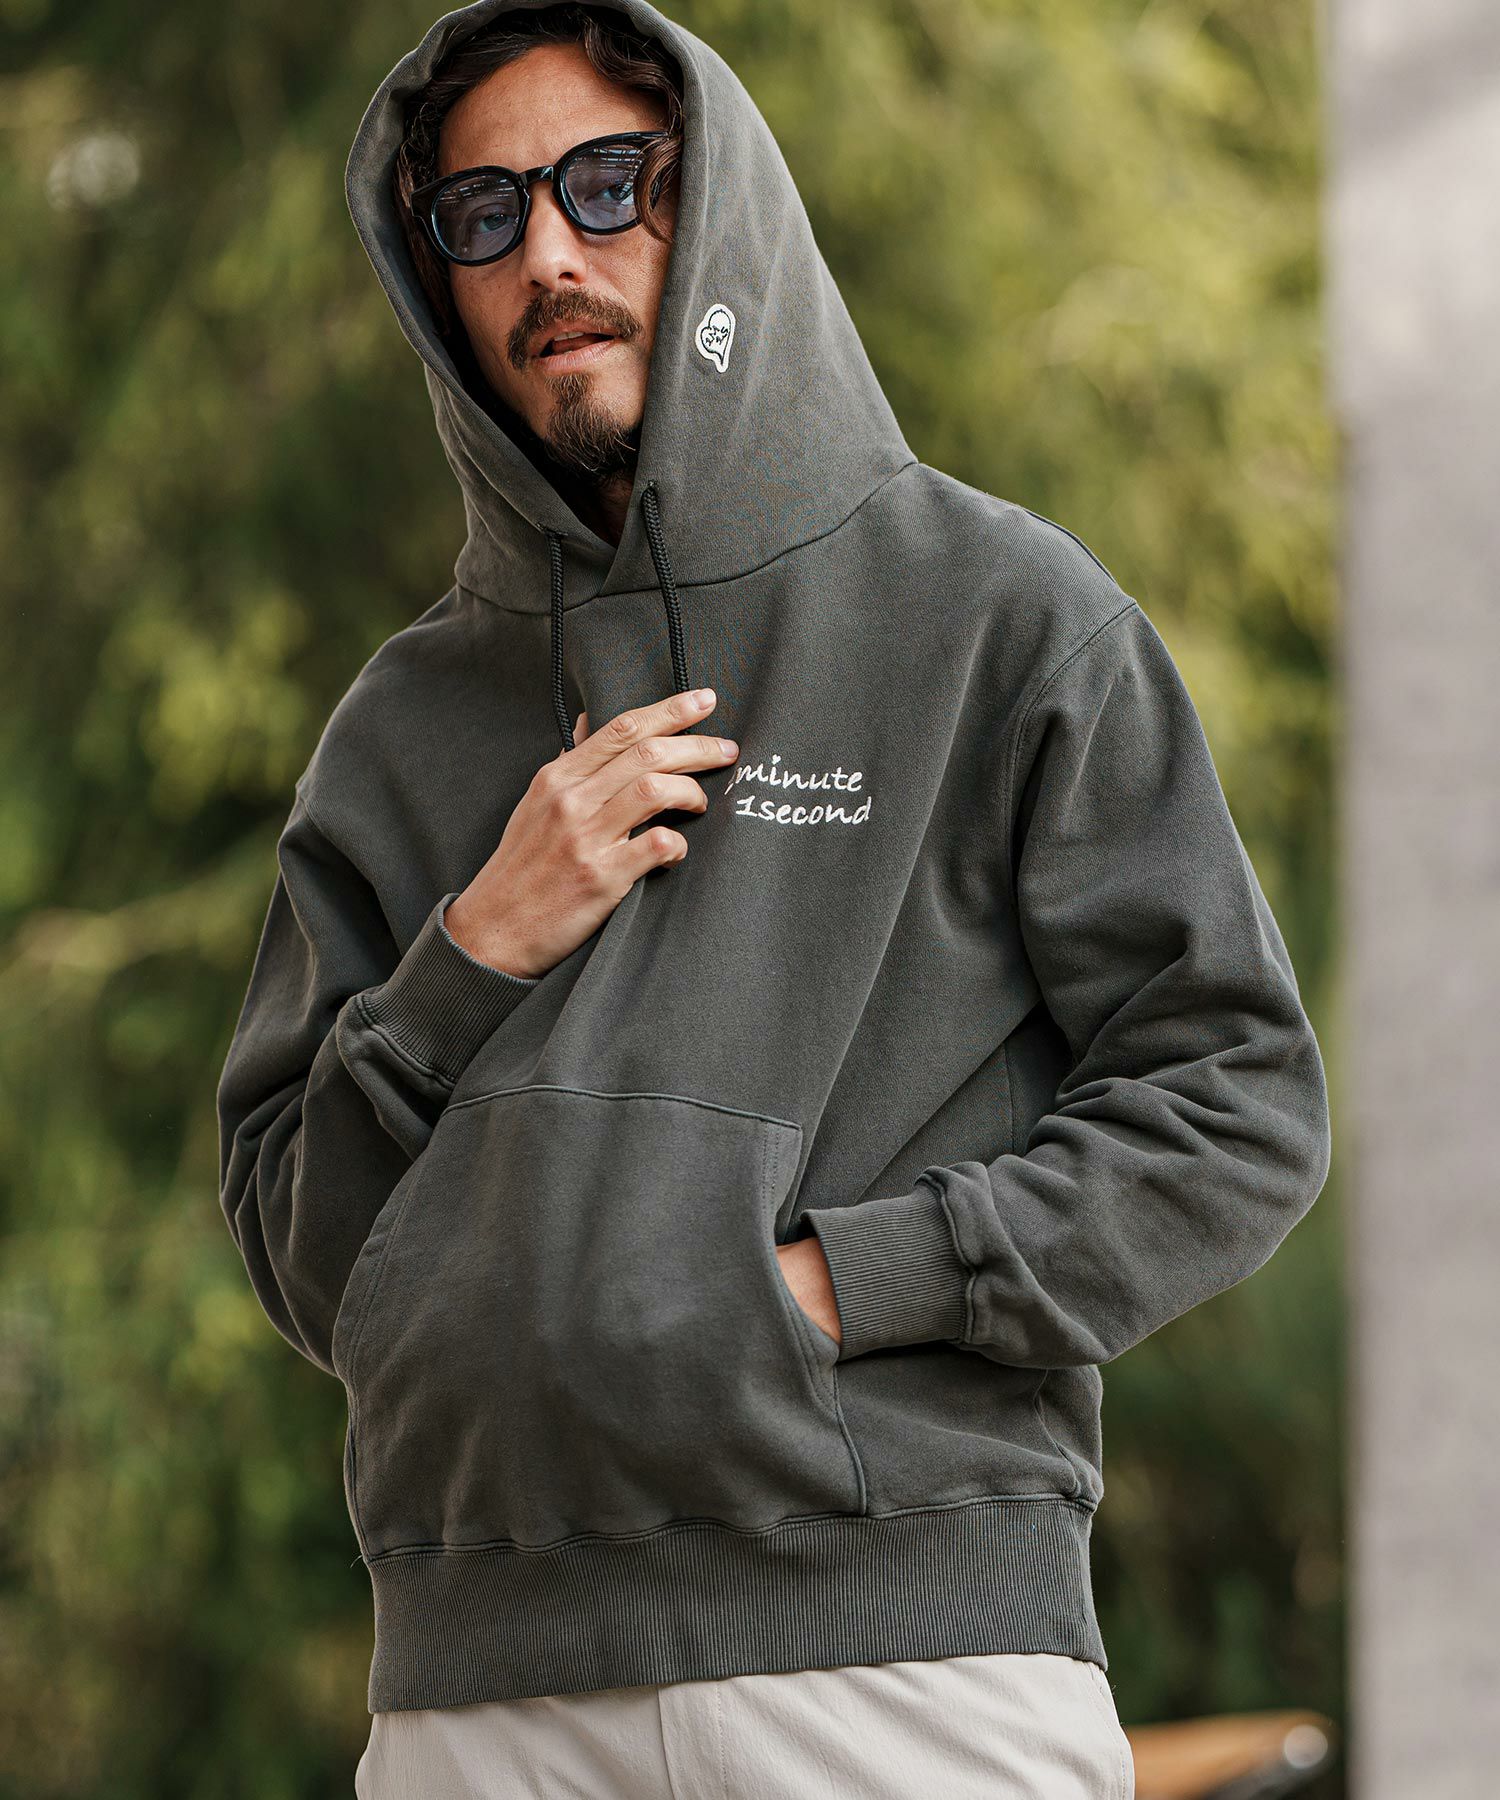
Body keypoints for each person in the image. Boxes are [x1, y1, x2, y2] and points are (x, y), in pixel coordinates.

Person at [214, 1, 1331, 1794]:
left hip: (903, 1656)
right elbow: (302, 1246)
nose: (549, 255)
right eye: (485, 213)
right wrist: (474, 949)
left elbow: (1238, 1104)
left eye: (608, 183)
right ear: (435, 277)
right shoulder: (403, 729)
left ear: (716, 197)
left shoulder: (996, 616)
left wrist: (833, 1288)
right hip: (477, 1691)